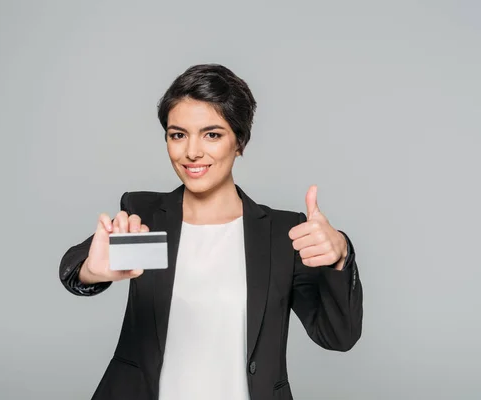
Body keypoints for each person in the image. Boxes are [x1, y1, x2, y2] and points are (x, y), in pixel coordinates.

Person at [59, 64, 363, 400]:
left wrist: (341, 255)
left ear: (240, 142)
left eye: (212, 134)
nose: (192, 152)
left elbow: (338, 336)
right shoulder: (145, 215)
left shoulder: (282, 235)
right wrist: (92, 270)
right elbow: (75, 269)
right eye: (178, 135)